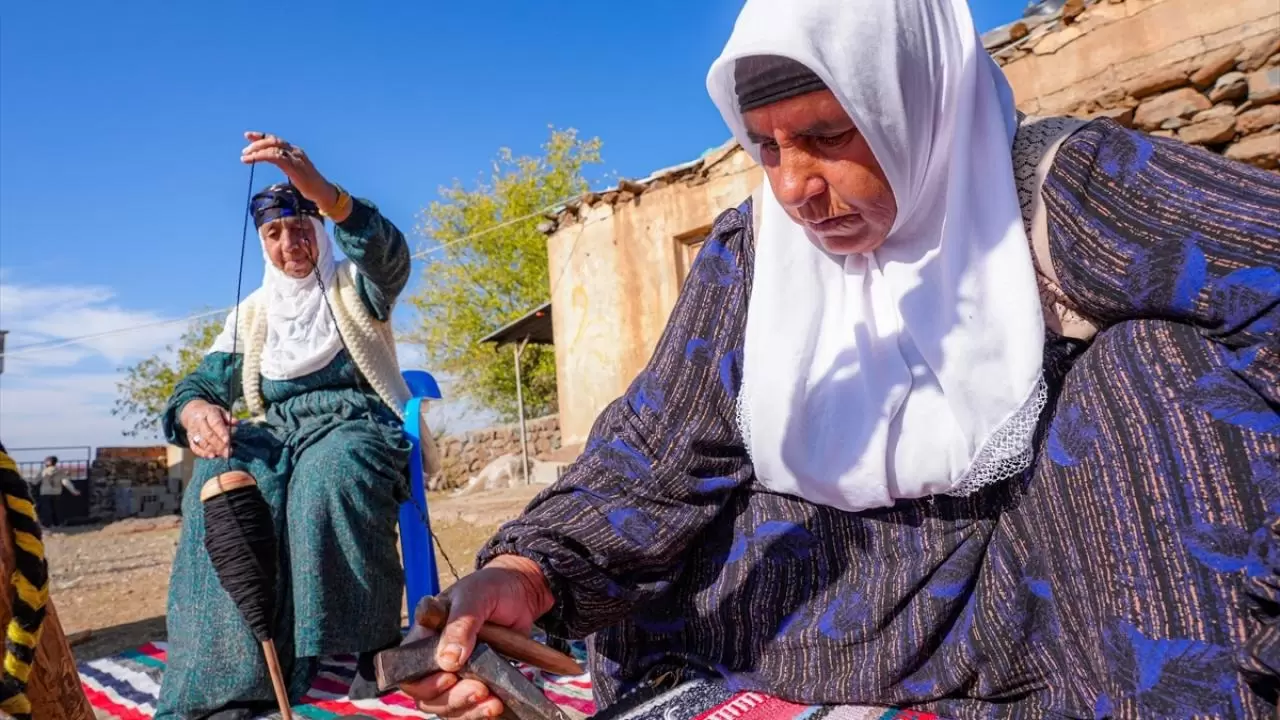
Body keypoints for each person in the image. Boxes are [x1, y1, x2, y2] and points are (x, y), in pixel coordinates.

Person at [403, 0, 1280, 718]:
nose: (793, 186)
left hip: (1040, 610)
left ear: (915, 102)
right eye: (767, 146)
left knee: (1151, 366)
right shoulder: (755, 252)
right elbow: (658, 449)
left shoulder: (1073, 189)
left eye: (827, 134)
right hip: (807, 621)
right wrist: (524, 573)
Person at [155, 132, 417, 718]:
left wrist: (321, 189)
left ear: (321, 230)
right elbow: (196, 386)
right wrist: (196, 413)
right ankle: (230, 677)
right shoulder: (252, 314)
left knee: (327, 481)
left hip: (354, 421)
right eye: (274, 232)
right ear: (262, 242)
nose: (289, 241)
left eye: (301, 226)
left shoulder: (355, 284)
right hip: (278, 433)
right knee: (219, 489)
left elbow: (390, 255)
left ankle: (371, 645)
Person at [35, 456, 79, 529]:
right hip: (57, 493)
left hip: (45, 492)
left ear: (48, 462)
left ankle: (47, 525)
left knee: (46, 509)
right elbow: (66, 482)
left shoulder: (43, 471)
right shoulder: (60, 471)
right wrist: (74, 491)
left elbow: (35, 481)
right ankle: (57, 524)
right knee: (56, 509)